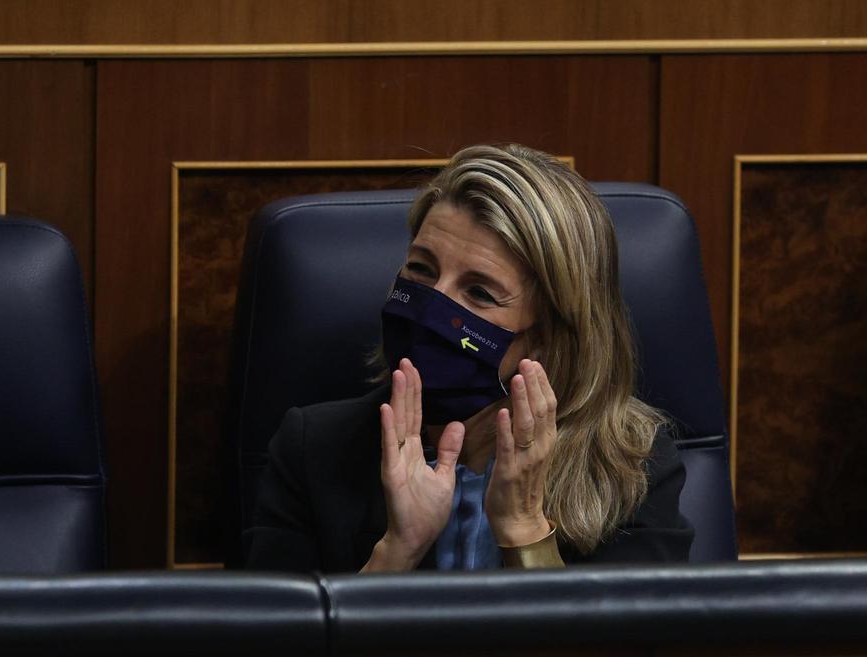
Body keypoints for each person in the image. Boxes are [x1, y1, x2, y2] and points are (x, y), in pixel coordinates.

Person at [245, 144, 693, 573]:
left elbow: (620, 651)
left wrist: (524, 531)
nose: (430, 305)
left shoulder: (630, 466)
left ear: (548, 339)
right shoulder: (313, 452)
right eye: (421, 269)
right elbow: (278, 651)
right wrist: (397, 551)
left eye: (479, 292)